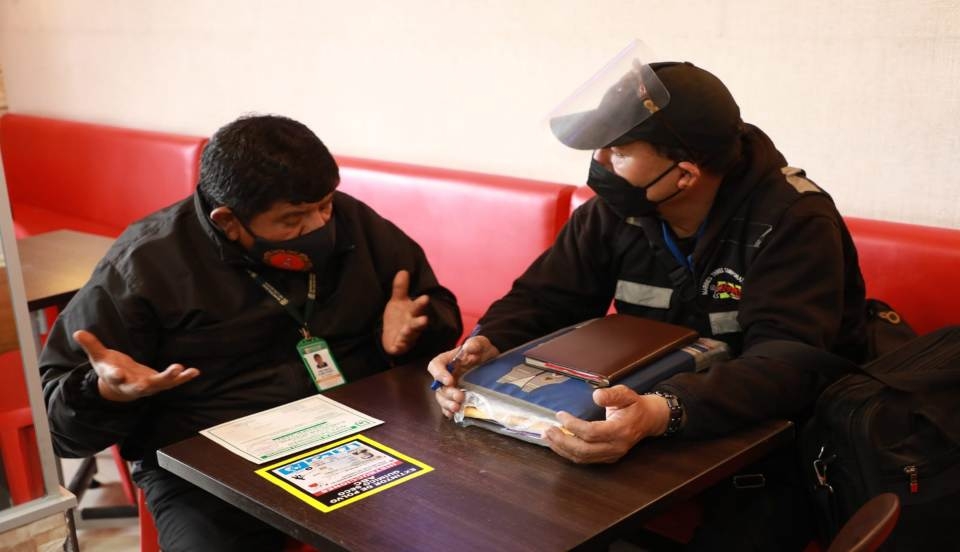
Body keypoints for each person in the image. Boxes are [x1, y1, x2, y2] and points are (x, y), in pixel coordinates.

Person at [428, 57, 866, 549]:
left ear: (684, 175)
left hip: (777, 437)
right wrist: (487, 343)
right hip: (641, 411)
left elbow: (787, 363)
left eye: (618, 150)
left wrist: (660, 413)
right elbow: (545, 296)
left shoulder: (793, 221)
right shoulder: (614, 213)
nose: (599, 161)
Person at [41, 114, 462, 551]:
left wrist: (416, 332)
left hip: (362, 427)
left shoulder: (352, 221)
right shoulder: (145, 264)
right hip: (210, 460)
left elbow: (434, 311)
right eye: (293, 219)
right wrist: (104, 394)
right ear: (228, 221)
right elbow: (58, 428)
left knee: (457, 522)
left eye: (324, 206)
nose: (320, 225)